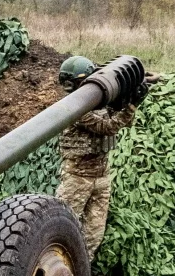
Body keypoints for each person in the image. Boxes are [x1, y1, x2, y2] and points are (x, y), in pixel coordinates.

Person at [53, 55, 138, 262]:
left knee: (93, 232)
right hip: (77, 177)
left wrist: (126, 99)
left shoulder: (99, 104)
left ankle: (82, 268)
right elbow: (105, 127)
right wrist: (132, 107)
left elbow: (117, 120)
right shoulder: (75, 108)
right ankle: (58, 266)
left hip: (101, 177)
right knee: (63, 226)